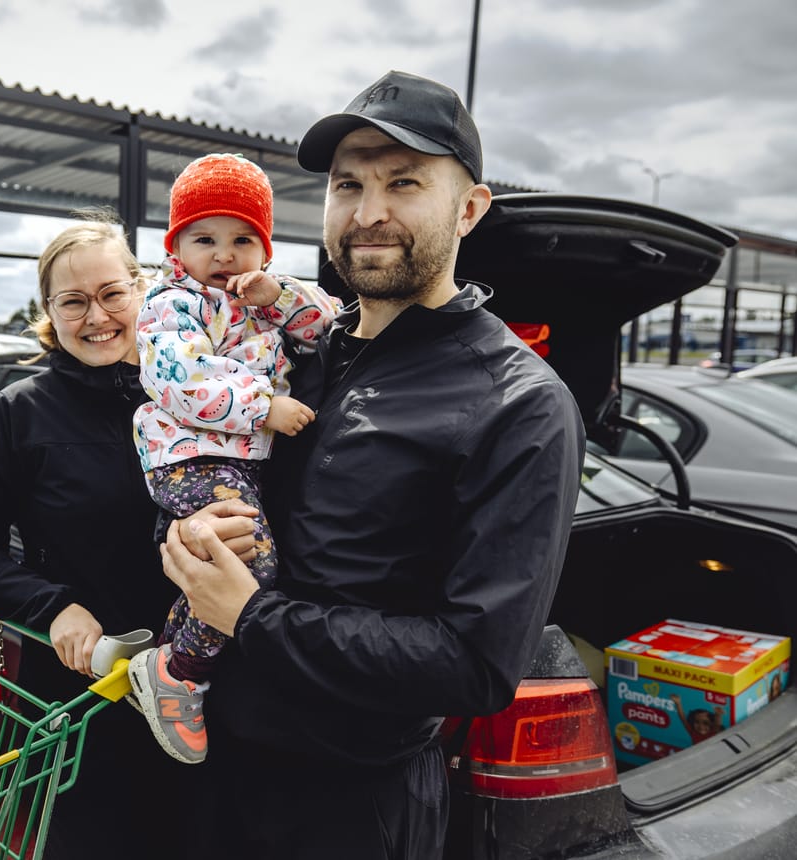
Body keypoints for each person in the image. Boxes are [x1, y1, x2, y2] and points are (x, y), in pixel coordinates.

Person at [159, 70, 586, 858]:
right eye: (347, 184)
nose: (368, 212)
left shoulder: (517, 402)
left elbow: (473, 665)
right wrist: (192, 537)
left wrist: (250, 615)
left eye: (404, 183)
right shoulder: (296, 353)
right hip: (214, 765)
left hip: (351, 804)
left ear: (469, 208)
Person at [0, 213, 257, 859]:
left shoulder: (197, 394)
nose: (97, 317)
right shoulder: (20, 413)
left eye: (112, 293)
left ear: (142, 290)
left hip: (208, 688)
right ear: (50, 313)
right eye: (73, 302)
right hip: (86, 695)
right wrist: (53, 606)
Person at [128, 153, 340, 765]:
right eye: (205, 238)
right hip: (189, 457)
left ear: (266, 250)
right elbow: (180, 377)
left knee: (243, 559)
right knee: (253, 566)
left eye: (243, 239)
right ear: (177, 249)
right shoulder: (172, 303)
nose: (224, 254)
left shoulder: (261, 299)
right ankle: (179, 670)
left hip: (235, 461)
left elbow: (326, 328)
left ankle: (173, 659)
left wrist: (279, 297)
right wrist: (264, 404)